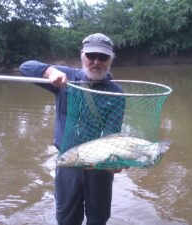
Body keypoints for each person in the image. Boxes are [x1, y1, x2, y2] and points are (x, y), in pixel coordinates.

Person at [19, 33, 125, 225]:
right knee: (67, 219)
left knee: (98, 219)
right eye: (91, 55)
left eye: (103, 57)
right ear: (82, 55)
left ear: (111, 59)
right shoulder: (67, 78)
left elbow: (111, 135)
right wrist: (50, 72)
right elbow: (25, 68)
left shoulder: (116, 92)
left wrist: (113, 162)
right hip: (68, 162)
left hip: (98, 167)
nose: (96, 61)